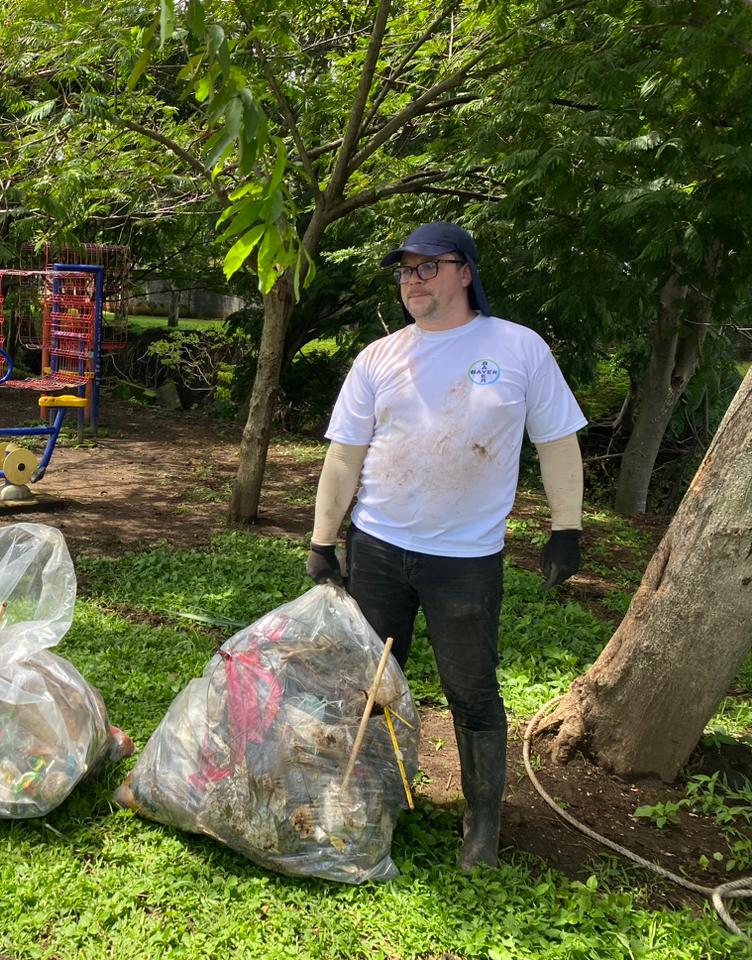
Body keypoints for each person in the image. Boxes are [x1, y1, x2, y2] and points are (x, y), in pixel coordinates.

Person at [305, 222, 586, 871]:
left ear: (466, 272)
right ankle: (370, 798)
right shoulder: (379, 358)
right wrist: (323, 541)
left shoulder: (518, 348)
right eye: (405, 269)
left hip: (466, 560)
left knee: (472, 690)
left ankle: (482, 820)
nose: (413, 279)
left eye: (428, 266)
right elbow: (344, 457)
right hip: (378, 548)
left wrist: (566, 528)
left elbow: (557, 441)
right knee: (372, 681)